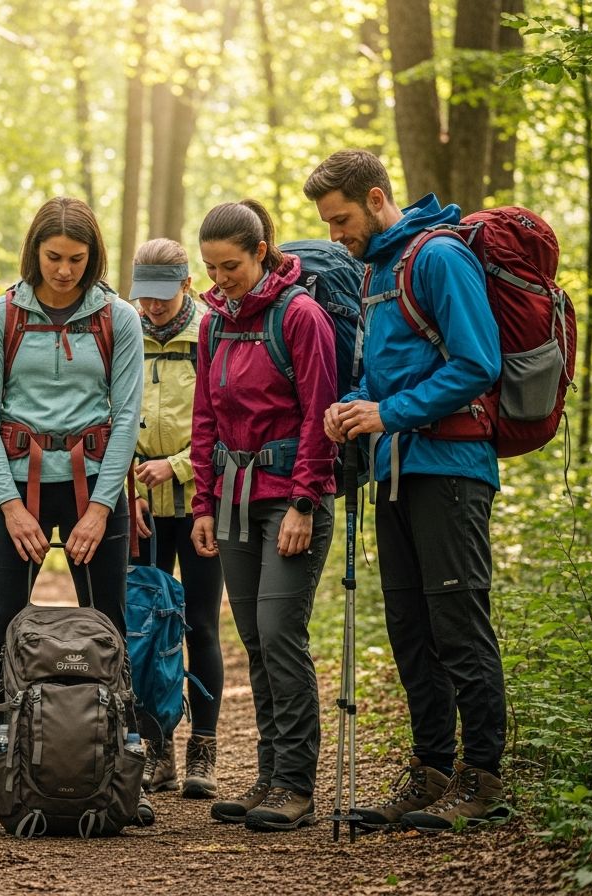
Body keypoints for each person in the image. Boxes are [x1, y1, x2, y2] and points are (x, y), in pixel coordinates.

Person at [305, 149, 505, 832]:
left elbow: (479, 362)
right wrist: (351, 407)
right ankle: (431, 772)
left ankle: (482, 778)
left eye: (341, 220)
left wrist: (387, 414)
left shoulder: (438, 258)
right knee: (410, 631)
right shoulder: (377, 272)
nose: (335, 235)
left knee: (458, 625)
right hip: (393, 470)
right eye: (328, 225)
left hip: (450, 467)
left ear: (377, 196)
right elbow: (380, 378)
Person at [0, 196, 144, 826]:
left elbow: (126, 417)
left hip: (94, 490)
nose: (63, 270)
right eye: (53, 257)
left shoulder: (120, 318)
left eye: (76, 260)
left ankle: (119, 773)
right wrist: (8, 505)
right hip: (18, 491)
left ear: (94, 258)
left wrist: (100, 509)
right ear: (34, 252)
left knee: (112, 628)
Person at [189, 199, 337, 832]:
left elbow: (319, 416)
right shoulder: (214, 323)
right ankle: (268, 776)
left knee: (280, 635)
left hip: (291, 500)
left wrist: (306, 500)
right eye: (211, 268)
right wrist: (202, 501)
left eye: (230, 267)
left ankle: (296, 784)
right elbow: (205, 417)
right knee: (253, 638)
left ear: (261, 252)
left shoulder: (300, 316)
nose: (220, 279)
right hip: (231, 500)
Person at [128, 238, 224, 799]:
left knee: (201, 624)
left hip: (198, 504)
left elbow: (224, 420)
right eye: (145, 296)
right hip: (138, 504)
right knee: (141, 625)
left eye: (163, 295)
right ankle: (153, 745)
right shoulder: (123, 332)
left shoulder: (211, 332)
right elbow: (110, 414)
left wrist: (181, 467)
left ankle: (203, 752)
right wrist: (127, 485)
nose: (153, 307)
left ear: (187, 285)